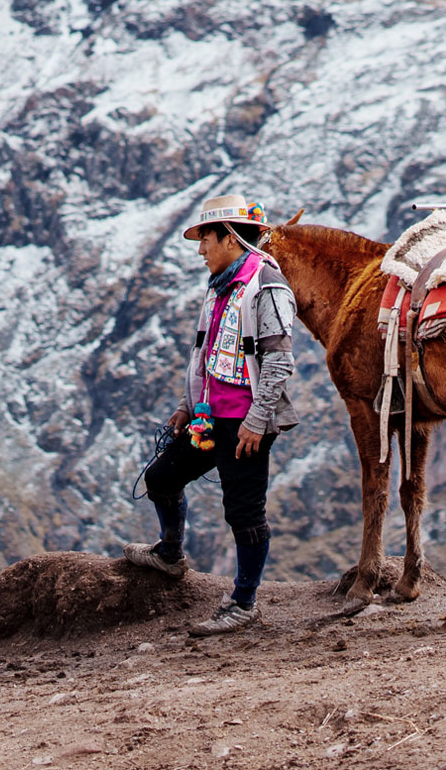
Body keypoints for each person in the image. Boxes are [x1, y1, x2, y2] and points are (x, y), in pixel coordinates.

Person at [124, 194, 298, 635]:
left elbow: (279, 359)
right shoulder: (222, 285)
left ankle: (244, 602)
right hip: (209, 415)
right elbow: (205, 351)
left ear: (231, 238)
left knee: (244, 513)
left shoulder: (268, 286)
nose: (201, 250)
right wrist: (187, 404)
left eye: (206, 240)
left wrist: (257, 420)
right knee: (162, 477)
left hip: (244, 423)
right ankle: (170, 554)